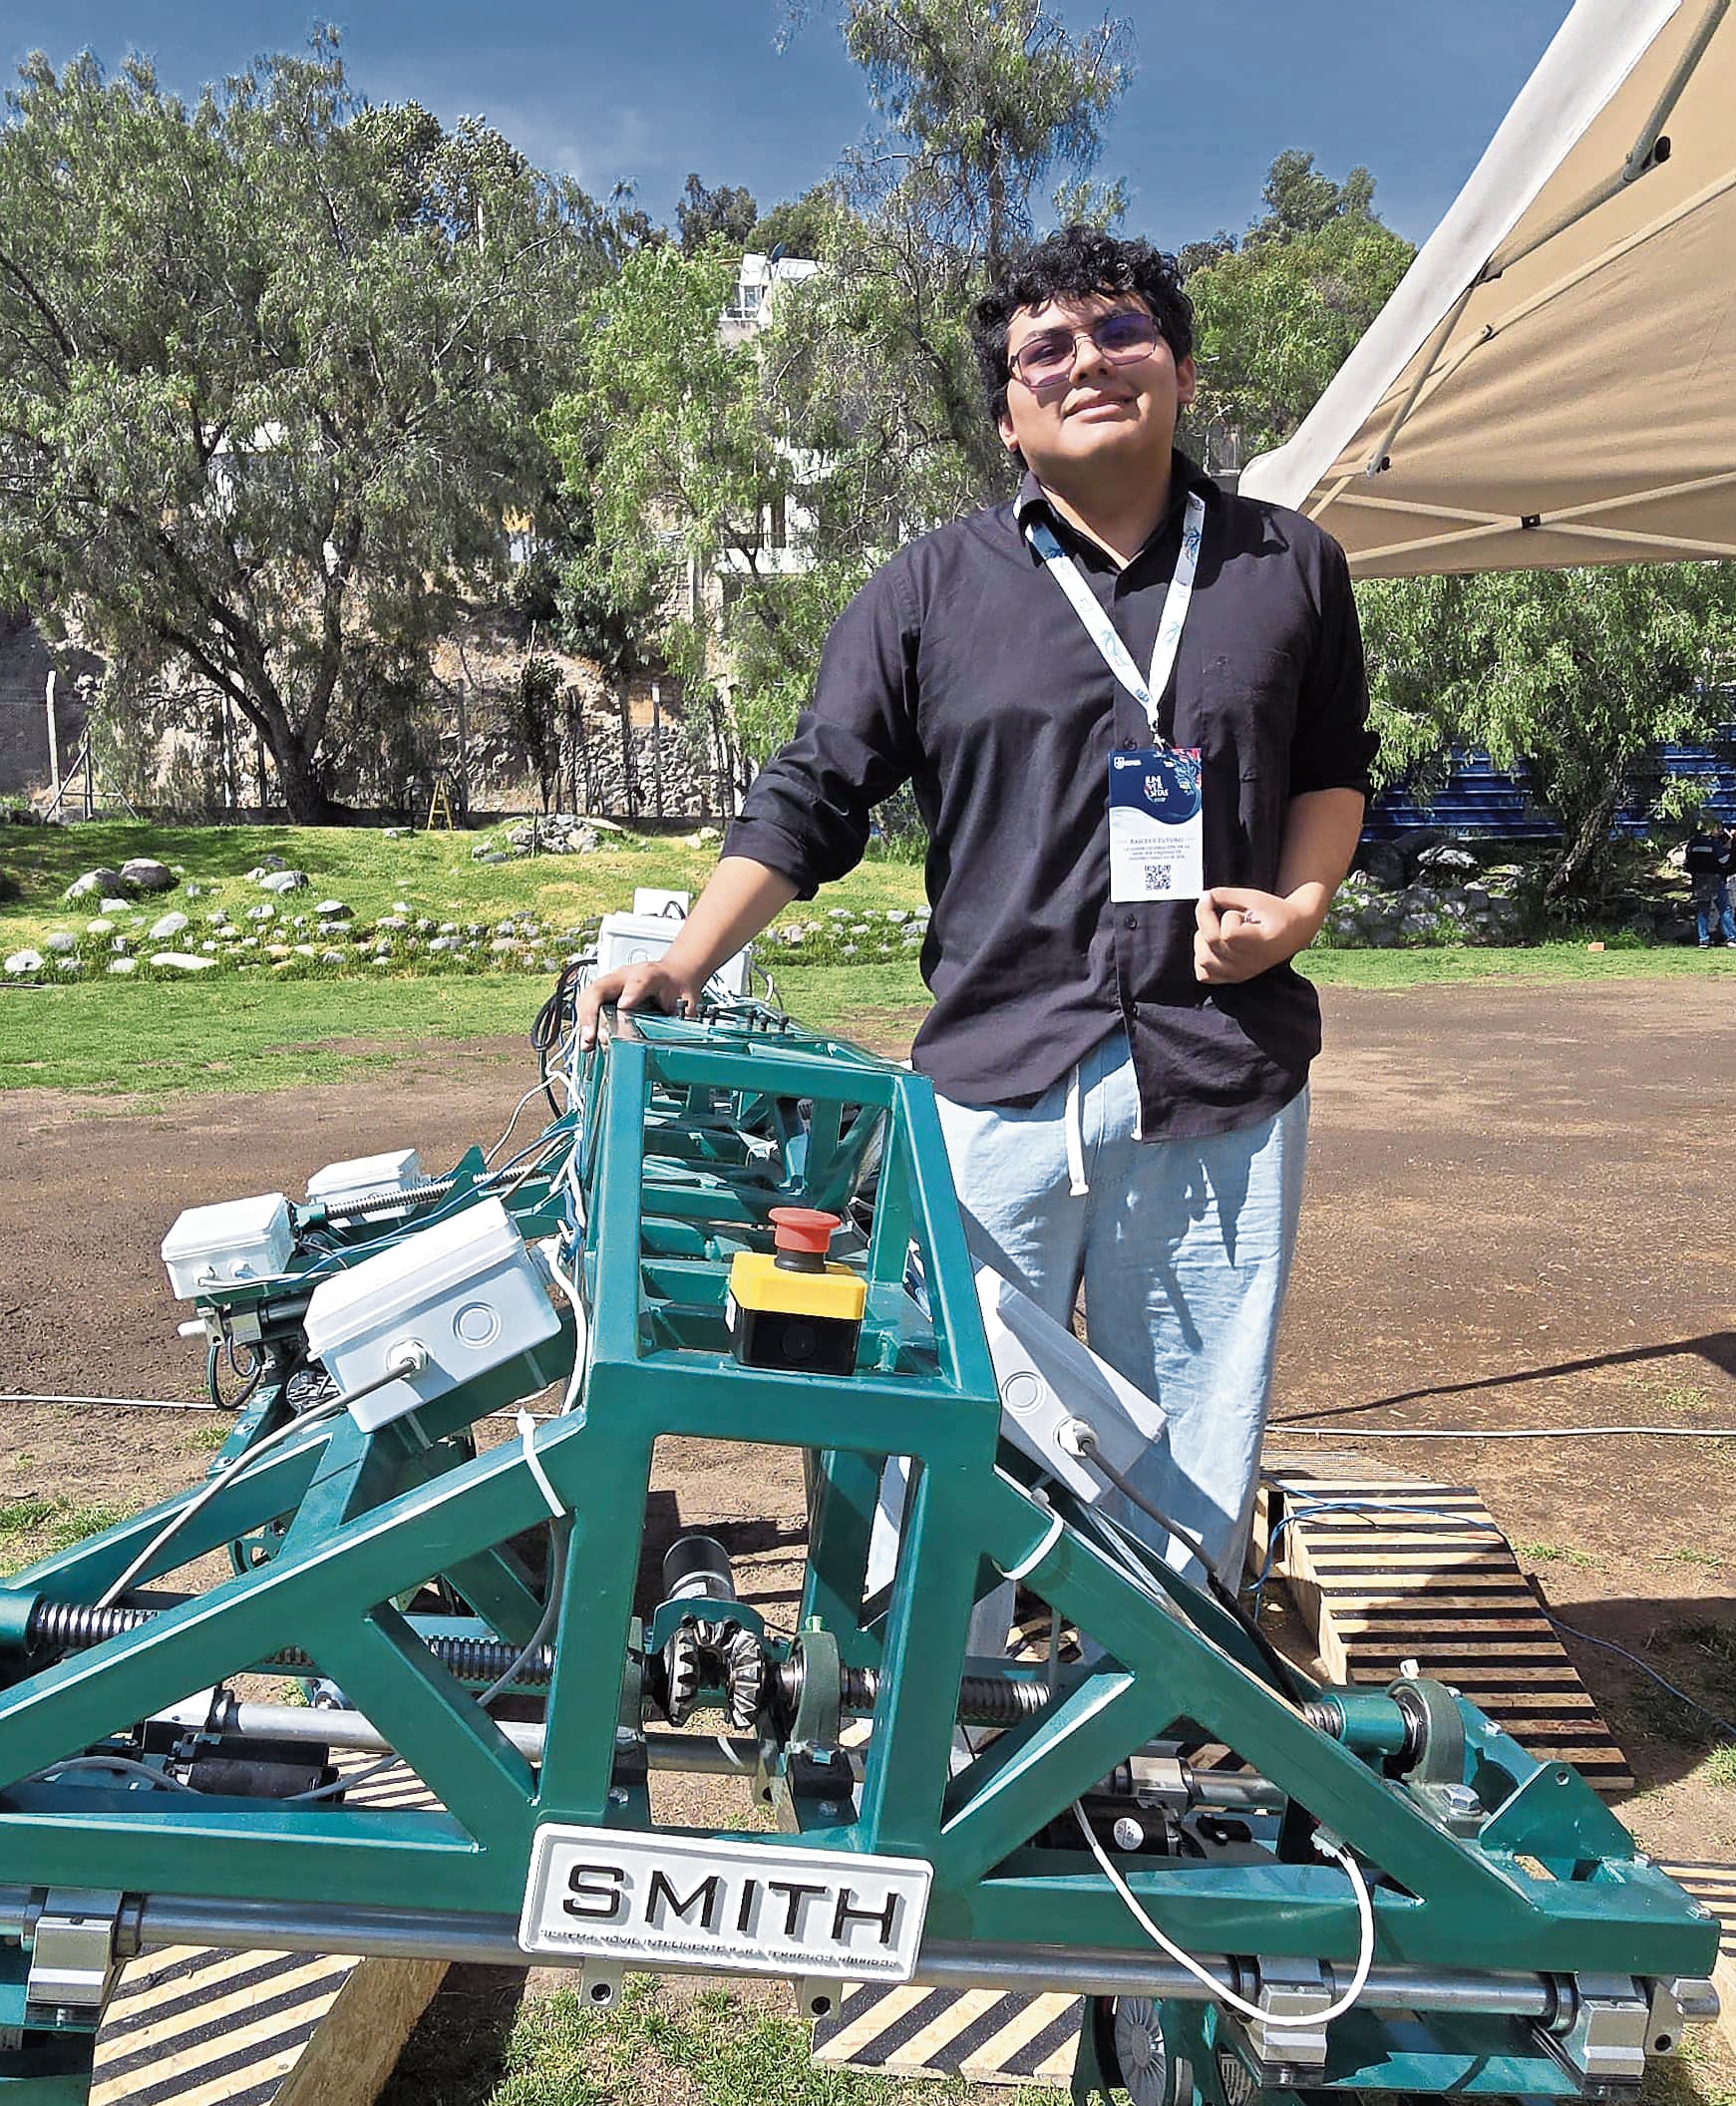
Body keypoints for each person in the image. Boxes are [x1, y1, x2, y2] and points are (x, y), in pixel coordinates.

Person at [578, 225, 1371, 1592]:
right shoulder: (930, 593)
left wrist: (1297, 908)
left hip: (1219, 1071)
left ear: (1180, 368)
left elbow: (1331, 772)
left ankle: (1150, 1742)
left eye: (1121, 333)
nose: (1087, 364)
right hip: (997, 1080)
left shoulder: (1288, 567)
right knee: (948, 1429)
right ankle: (941, 1719)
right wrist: (692, 957)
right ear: (1010, 414)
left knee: (1186, 1451)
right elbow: (814, 790)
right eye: (1045, 350)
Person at [1683, 818, 1731, 945]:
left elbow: (1687, 860)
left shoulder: (1692, 842)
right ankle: (1732, 937)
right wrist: (1727, 848)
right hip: (1713, 877)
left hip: (1698, 879)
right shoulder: (1713, 843)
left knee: (1703, 908)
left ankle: (1703, 939)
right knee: (1724, 907)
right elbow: (1724, 860)